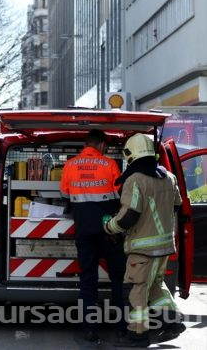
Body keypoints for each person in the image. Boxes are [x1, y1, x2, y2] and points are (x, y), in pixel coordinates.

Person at [103, 133, 186, 347]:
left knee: (135, 290)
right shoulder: (169, 177)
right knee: (155, 285)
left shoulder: (134, 179)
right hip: (165, 246)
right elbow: (176, 205)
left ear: (130, 155)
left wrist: (110, 226)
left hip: (142, 248)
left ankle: (137, 335)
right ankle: (173, 322)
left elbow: (130, 214)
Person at [60, 129, 126, 342]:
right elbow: (120, 194)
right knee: (118, 277)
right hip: (109, 230)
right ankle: (122, 327)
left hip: (84, 228)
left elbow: (65, 193)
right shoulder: (109, 164)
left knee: (88, 279)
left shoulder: (70, 165)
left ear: (87, 144)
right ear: (102, 145)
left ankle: (89, 328)